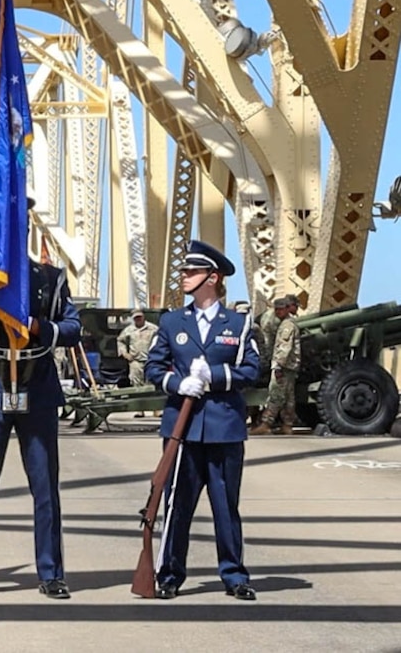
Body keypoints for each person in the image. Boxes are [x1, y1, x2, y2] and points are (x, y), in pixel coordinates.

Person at [0, 257, 82, 601]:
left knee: (44, 486)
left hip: (36, 385)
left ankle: (51, 572)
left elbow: (72, 328)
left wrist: (38, 326)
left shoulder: (51, 278)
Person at [145, 239, 260, 601]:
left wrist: (213, 375)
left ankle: (234, 575)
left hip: (224, 427)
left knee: (226, 507)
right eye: (183, 270)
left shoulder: (238, 325)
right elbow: (152, 367)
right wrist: (180, 382)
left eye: (191, 272)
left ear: (212, 278)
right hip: (183, 427)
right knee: (178, 505)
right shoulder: (172, 322)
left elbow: (252, 369)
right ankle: (169, 574)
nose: (183, 276)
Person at [250, 297, 301, 435]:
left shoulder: (287, 326)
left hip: (283, 367)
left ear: (287, 309)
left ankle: (266, 423)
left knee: (275, 395)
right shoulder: (287, 323)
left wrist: (278, 366)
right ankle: (287, 425)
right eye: (276, 309)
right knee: (289, 397)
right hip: (290, 367)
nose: (278, 312)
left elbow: (284, 348)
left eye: (281, 309)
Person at [117, 309, 158, 388]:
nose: (138, 319)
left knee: (151, 383)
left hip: (150, 361)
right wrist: (125, 353)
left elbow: (161, 340)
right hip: (135, 361)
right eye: (136, 318)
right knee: (136, 384)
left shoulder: (153, 329)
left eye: (140, 317)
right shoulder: (128, 330)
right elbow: (120, 341)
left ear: (143, 317)